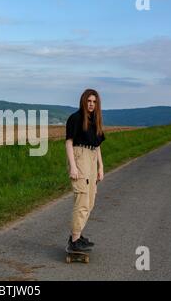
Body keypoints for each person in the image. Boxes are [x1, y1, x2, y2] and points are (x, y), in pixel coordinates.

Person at [65, 88, 106, 252]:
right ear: (83, 101)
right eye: (89, 101)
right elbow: (68, 143)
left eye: (94, 102)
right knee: (82, 201)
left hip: (92, 158)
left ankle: (78, 235)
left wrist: (101, 167)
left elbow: (97, 146)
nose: (91, 104)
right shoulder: (75, 118)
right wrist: (73, 166)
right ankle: (74, 241)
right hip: (80, 157)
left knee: (90, 201)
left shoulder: (95, 120)